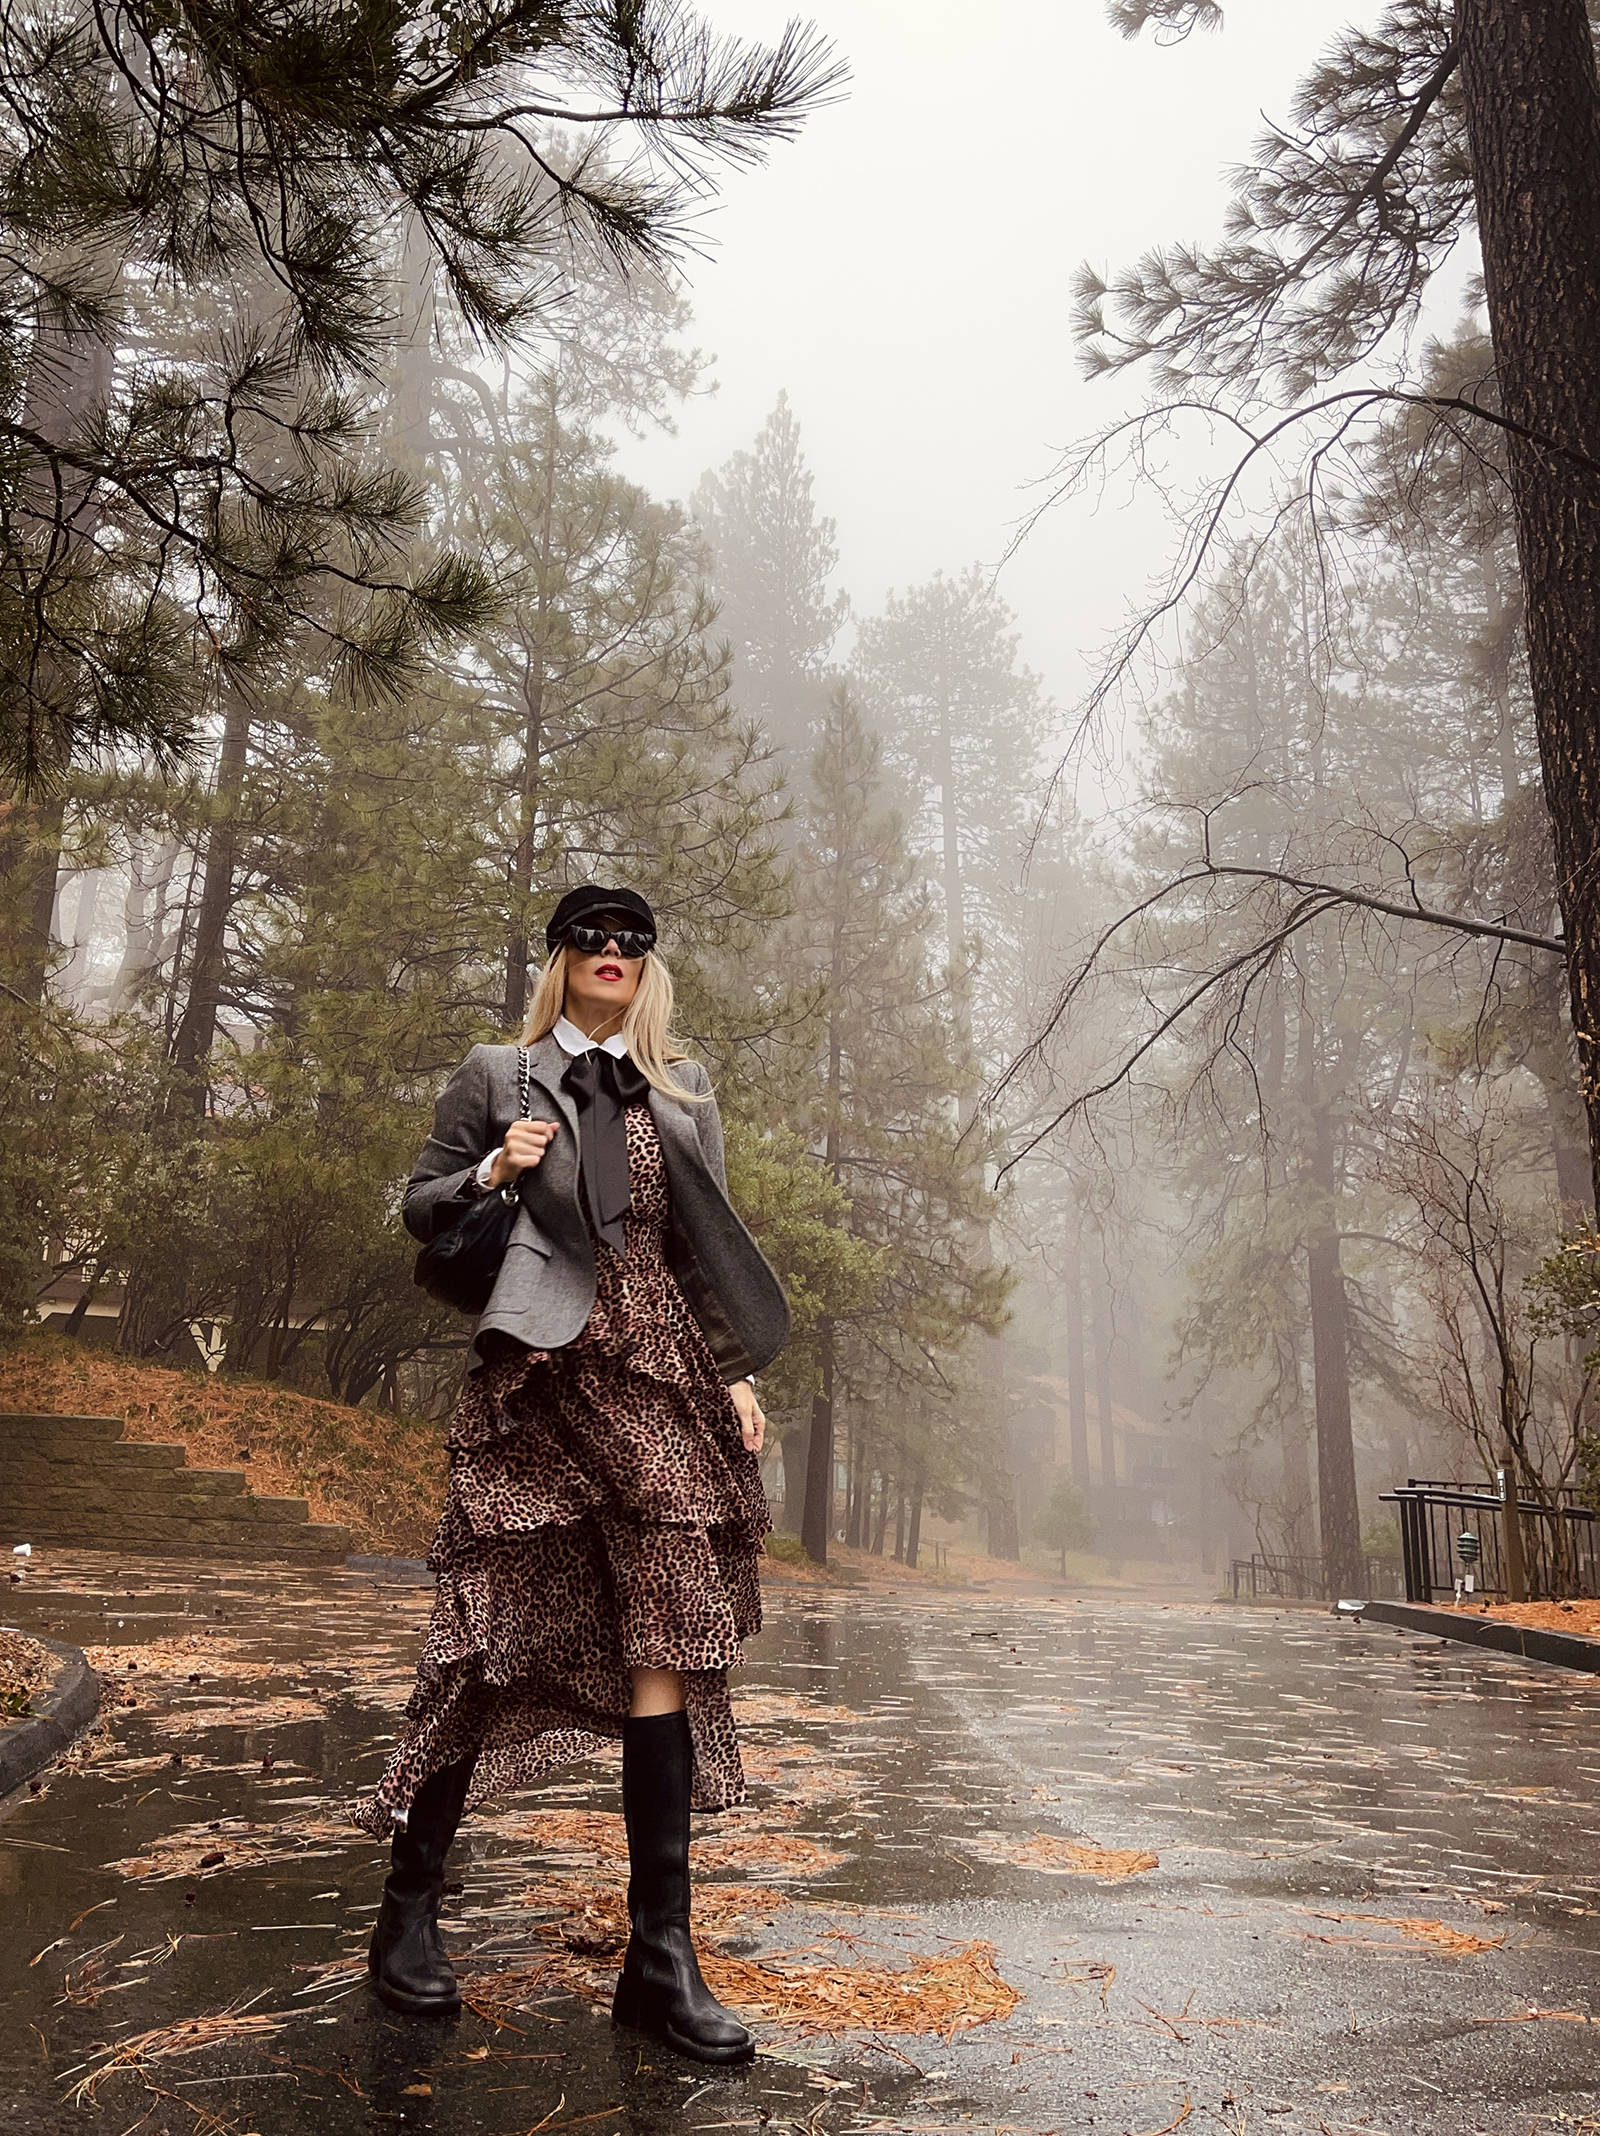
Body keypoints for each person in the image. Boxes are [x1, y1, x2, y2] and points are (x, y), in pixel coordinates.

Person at [356, 885, 789, 2064]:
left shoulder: (680, 1096)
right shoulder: (498, 1070)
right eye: (592, 939)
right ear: (562, 958)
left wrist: (736, 1376)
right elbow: (418, 1205)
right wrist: (498, 1163)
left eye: (632, 944)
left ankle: (661, 1957)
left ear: (650, 970)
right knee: (489, 1635)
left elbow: (694, 1257)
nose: (612, 954)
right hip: (540, 1377)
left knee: (668, 1635)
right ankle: (408, 1913)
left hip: (659, 1381)